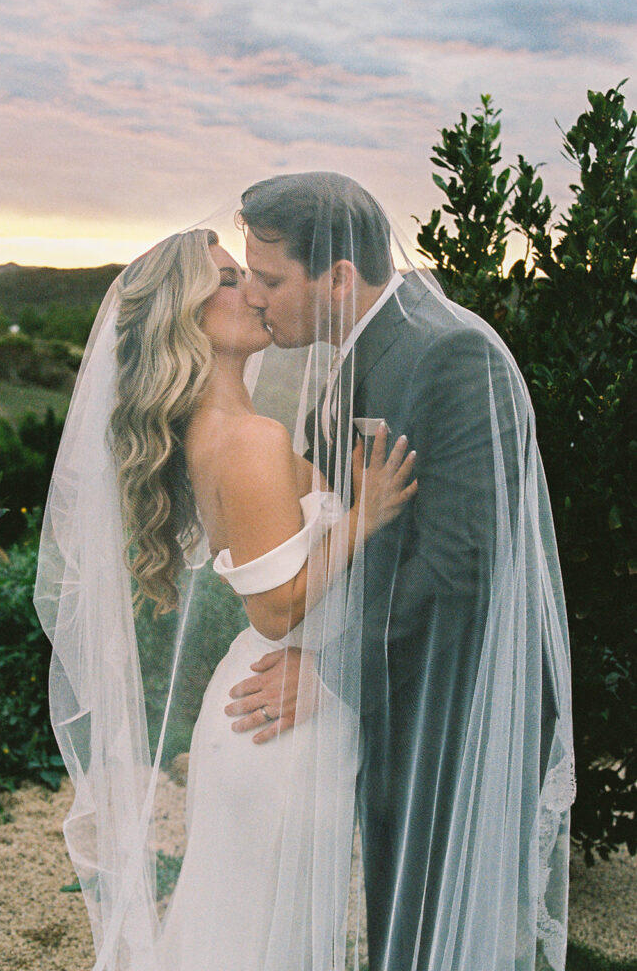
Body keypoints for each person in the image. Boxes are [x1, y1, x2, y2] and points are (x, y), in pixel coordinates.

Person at [35, 227, 416, 971]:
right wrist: (363, 515)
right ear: (186, 315)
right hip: (278, 717)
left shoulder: (225, 428)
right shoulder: (246, 438)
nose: (256, 292)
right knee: (262, 944)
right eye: (230, 280)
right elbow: (274, 611)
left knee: (241, 935)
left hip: (272, 706)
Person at [226, 172, 575, 971]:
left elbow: (462, 564)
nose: (255, 296)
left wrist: (337, 673)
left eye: (272, 279)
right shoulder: (360, 347)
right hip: (399, 694)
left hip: (452, 706)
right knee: (400, 924)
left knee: (440, 930)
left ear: (339, 277)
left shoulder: (450, 354)